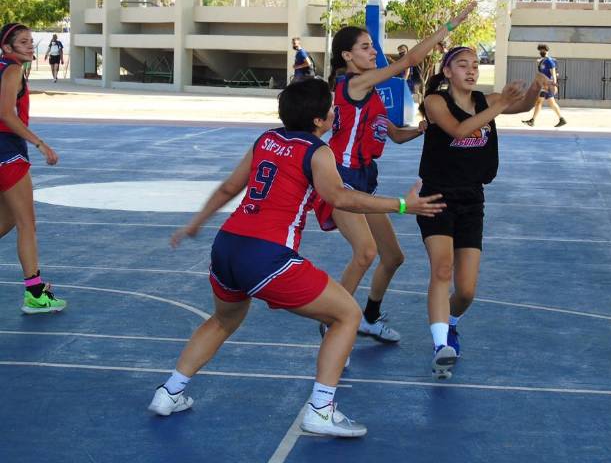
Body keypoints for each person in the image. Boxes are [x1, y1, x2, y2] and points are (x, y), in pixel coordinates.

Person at [148, 78, 445, 438]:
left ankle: (169, 392)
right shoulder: (318, 151)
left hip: (227, 245)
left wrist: (196, 223)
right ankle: (321, 410)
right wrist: (402, 205)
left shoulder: (267, 139)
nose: (336, 111)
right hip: (267, 255)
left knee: (223, 321)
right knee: (347, 315)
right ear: (320, 120)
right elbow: (341, 198)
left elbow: (230, 187)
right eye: (332, 108)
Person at [316, 2, 477, 348]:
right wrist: (449, 24)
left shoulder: (369, 94)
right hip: (340, 180)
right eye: (365, 46)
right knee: (365, 252)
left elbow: (394, 133)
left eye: (373, 46)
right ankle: (333, 321)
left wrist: (422, 129)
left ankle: (370, 318)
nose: (373, 51)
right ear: (347, 56)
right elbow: (407, 61)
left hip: (365, 183)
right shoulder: (353, 84)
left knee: (393, 256)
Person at [419, 47, 550, 379]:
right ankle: (439, 346)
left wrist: (535, 89)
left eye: (475, 65)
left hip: (471, 198)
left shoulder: (485, 100)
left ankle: (450, 325)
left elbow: (517, 105)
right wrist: (501, 103)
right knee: (442, 269)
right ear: (447, 72)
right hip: (437, 195)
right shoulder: (435, 102)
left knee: (466, 291)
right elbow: (459, 130)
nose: (471, 70)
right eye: (462, 65)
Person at [0, 23, 64, 314]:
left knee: (10, 219)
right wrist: (40, 144)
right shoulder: (12, 70)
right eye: (23, 42)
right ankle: (35, 294)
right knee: (27, 223)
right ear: (8, 47)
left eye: (30, 41)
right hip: (7, 152)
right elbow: (5, 115)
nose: (30, 46)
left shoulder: (5, 67)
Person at [522, 44, 566, 128]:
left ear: (547, 51)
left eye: (543, 50)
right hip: (543, 85)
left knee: (550, 103)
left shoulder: (549, 61)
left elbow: (553, 73)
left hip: (548, 85)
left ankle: (561, 119)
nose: (542, 52)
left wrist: (554, 85)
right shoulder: (543, 61)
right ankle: (533, 120)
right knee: (540, 102)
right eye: (540, 50)